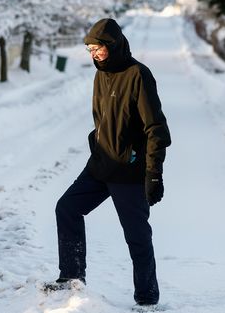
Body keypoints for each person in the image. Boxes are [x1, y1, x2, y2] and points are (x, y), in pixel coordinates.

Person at [45, 18, 171, 308]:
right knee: (67, 208)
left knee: (137, 236)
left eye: (97, 48)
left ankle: (147, 299)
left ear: (112, 45)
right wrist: (98, 143)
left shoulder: (138, 74)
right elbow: (103, 119)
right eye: (89, 49)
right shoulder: (100, 74)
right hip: (100, 165)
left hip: (128, 171)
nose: (93, 54)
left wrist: (153, 174)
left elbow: (156, 129)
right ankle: (72, 277)